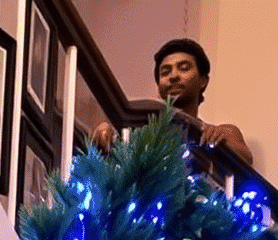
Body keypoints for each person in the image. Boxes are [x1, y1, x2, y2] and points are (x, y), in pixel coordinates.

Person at [91, 39, 252, 166]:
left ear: (203, 80)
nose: (173, 76)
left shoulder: (222, 131)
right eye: (165, 72)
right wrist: (107, 129)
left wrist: (220, 143)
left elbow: (246, 158)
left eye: (183, 68)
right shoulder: (139, 132)